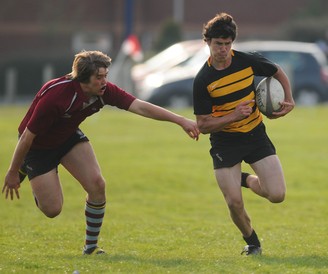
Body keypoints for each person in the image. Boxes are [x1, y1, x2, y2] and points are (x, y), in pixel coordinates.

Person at [2, 50, 200, 255]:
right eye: (99, 77)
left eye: (105, 75)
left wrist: (181, 120)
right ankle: (28, 167)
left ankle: (91, 247)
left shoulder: (105, 92)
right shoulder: (57, 96)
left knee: (97, 184)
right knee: (52, 210)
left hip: (67, 137)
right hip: (37, 147)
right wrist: (13, 171)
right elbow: (26, 137)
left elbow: (140, 107)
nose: (105, 81)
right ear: (83, 79)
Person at [193, 13, 295, 256]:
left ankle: (244, 179)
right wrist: (232, 116)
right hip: (225, 142)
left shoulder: (247, 61)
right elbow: (203, 125)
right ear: (207, 42)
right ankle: (253, 243)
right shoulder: (203, 80)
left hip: (255, 135)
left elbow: (276, 70)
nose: (224, 49)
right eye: (218, 44)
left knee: (277, 195)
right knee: (234, 202)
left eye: (228, 44)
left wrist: (288, 98)